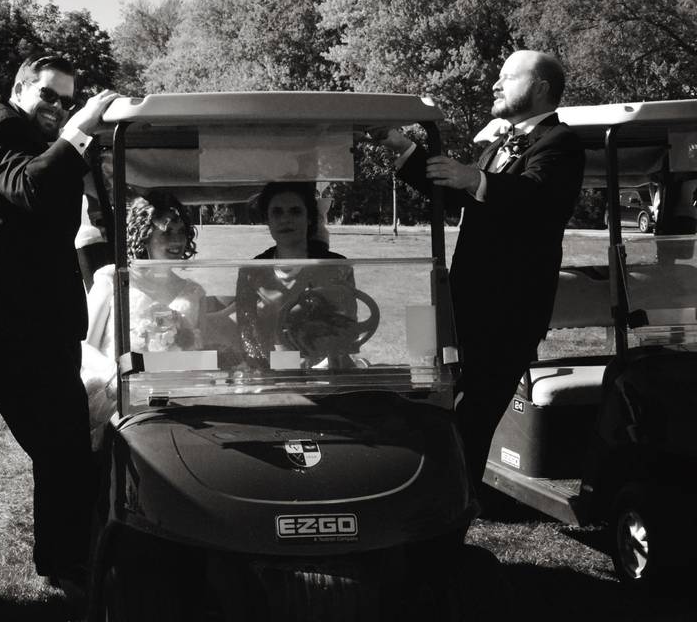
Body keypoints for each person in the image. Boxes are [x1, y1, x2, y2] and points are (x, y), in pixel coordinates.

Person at [0, 53, 118, 596]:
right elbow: (30, 188)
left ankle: (67, 558)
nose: (58, 107)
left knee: (61, 441)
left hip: (32, 315)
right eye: (48, 95)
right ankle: (70, 565)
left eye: (67, 100)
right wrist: (80, 130)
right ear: (19, 87)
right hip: (8, 320)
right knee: (62, 441)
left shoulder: (6, 127)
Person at [376, 50, 585, 492]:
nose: (495, 84)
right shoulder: (499, 145)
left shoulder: (560, 144)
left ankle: (453, 517)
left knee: (471, 419)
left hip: (509, 315)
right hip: (464, 305)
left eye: (507, 76)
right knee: (443, 409)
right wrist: (405, 149)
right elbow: (454, 199)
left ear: (542, 87)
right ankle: (442, 500)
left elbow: (536, 196)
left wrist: (474, 178)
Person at [82, 193, 204, 446]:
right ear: (144, 235)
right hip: (120, 399)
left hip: (178, 400)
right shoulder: (112, 281)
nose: (177, 240)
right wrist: (115, 376)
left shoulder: (193, 291)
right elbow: (83, 345)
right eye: (167, 232)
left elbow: (198, 346)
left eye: (181, 231)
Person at [236, 182, 356, 369]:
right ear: (267, 219)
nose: (286, 219)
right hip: (274, 373)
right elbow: (248, 337)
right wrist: (267, 373)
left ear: (309, 218)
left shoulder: (338, 267)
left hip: (328, 372)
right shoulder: (251, 272)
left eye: (295, 211)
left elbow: (348, 329)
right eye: (277, 212)